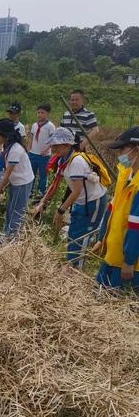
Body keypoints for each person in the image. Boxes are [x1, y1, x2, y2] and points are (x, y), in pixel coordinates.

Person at [35, 127, 107, 268]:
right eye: (53, 145)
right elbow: (55, 185)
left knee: (82, 236)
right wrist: (42, 202)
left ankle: (76, 271)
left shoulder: (77, 161)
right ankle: (71, 265)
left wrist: (61, 210)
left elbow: (76, 190)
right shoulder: (63, 160)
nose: (54, 148)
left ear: (67, 145)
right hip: (81, 201)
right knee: (73, 233)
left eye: (57, 146)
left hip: (93, 202)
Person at [94, 127, 139, 291]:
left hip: (130, 266)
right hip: (113, 253)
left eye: (122, 149)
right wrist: (101, 237)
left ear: (137, 150)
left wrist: (129, 261)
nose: (119, 154)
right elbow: (112, 208)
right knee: (99, 295)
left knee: (117, 304)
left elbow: (136, 227)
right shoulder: (125, 175)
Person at [0, 118, 34, 243]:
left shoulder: (15, 149)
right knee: (10, 208)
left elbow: (7, 173)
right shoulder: (6, 146)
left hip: (22, 182)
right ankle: (6, 233)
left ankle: (12, 238)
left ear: (4, 136)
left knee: (17, 210)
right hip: (15, 180)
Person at [28, 104, 55, 199]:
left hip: (44, 155)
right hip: (33, 153)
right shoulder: (34, 125)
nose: (39, 114)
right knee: (31, 173)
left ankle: (41, 192)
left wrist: (46, 149)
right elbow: (31, 138)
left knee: (43, 174)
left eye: (42, 113)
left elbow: (53, 140)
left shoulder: (50, 126)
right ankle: (29, 191)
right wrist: (29, 149)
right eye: (38, 112)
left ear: (47, 114)